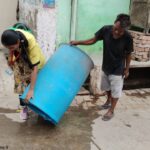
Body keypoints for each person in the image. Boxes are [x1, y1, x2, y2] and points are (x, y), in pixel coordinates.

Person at [70, 14, 133, 121]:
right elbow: (93, 40)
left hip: (118, 69)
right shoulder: (106, 30)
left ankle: (111, 110)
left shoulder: (128, 38)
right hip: (106, 66)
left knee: (116, 91)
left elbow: (128, 54)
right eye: (116, 28)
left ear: (125, 30)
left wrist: (127, 69)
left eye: (120, 31)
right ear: (114, 22)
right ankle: (108, 100)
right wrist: (78, 42)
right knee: (106, 87)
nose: (116, 32)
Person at [1, 28, 46, 120]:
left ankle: (37, 105)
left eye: (11, 47)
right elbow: (11, 49)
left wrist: (31, 89)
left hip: (32, 60)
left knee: (35, 82)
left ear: (18, 41)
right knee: (20, 82)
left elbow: (34, 68)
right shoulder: (10, 35)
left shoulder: (31, 42)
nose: (10, 49)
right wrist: (10, 58)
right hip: (20, 56)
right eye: (8, 48)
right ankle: (23, 107)